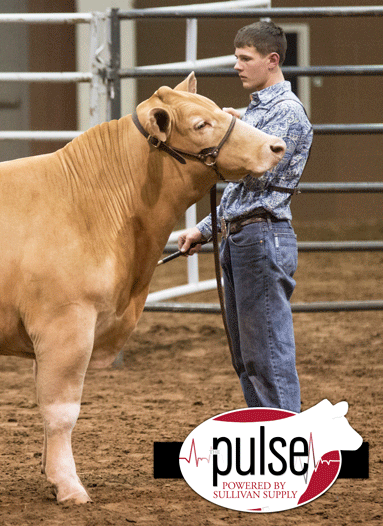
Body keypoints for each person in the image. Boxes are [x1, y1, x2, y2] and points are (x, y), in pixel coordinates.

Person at [177, 21, 313, 413]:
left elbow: (253, 171)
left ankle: (287, 443)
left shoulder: (285, 113)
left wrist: (231, 133)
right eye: (237, 58)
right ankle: (268, 433)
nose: (236, 66)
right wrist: (204, 230)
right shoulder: (256, 116)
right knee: (249, 358)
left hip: (261, 235)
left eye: (244, 58)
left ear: (272, 61)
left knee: (267, 354)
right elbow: (240, 191)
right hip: (243, 236)